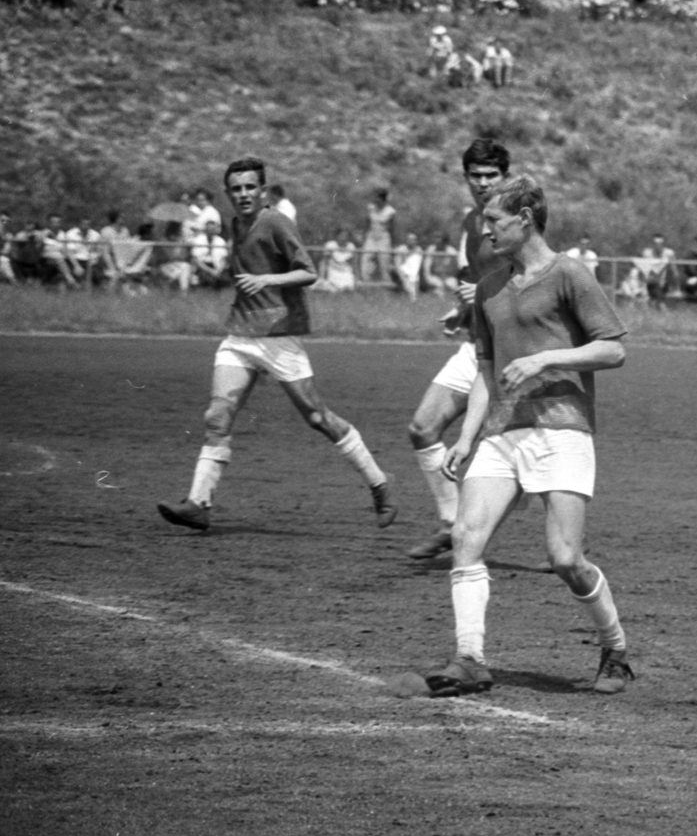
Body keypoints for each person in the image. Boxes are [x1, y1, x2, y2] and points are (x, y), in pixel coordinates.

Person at [419, 173, 634, 698]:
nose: (484, 229)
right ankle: (469, 659)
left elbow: (613, 350)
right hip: (501, 432)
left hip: (562, 428)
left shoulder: (570, 275)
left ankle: (615, 648)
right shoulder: (490, 288)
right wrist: (467, 437)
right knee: (467, 539)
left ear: (525, 219)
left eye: (493, 220)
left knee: (565, 559)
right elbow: (486, 372)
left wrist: (545, 357)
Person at [157, 157, 396, 532]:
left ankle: (379, 483)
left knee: (318, 418)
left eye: (250, 187)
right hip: (240, 335)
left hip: (279, 337)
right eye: (236, 189)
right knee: (217, 416)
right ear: (228, 194)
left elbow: (309, 272)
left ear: (263, 190)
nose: (243, 194)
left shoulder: (276, 221)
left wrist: (266, 280)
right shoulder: (236, 223)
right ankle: (198, 503)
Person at [405, 138, 510, 561]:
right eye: (476, 176)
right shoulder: (472, 222)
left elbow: (531, 283)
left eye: (492, 176)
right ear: (465, 178)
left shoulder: (522, 220)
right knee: (423, 428)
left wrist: (480, 294)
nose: (483, 183)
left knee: (522, 451)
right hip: (477, 345)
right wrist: (460, 310)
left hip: (514, 354)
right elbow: (477, 284)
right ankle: (450, 523)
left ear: (506, 176)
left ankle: (568, 542)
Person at [364, 188, 397, 283]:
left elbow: (392, 228)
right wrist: (364, 237)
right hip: (371, 236)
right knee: (366, 258)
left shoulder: (390, 211)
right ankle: (366, 281)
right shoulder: (371, 208)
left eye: (377, 197)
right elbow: (366, 223)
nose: (374, 199)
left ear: (382, 199)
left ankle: (386, 282)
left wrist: (393, 244)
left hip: (383, 237)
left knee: (384, 261)